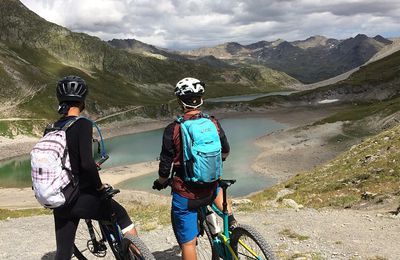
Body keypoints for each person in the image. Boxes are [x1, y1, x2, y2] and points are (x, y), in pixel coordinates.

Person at [52, 76, 137, 259]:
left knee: (63, 251)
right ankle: (140, 255)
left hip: (60, 198)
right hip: (81, 196)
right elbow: (87, 164)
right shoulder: (82, 123)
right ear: (82, 101)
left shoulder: (51, 128)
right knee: (122, 216)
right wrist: (99, 188)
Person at [153, 77, 237, 260]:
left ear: (180, 102)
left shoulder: (173, 128)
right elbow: (226, 151)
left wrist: (160, 182)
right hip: (211, 188)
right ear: (201, 99)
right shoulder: (213, 123)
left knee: (188, 244)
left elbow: (165, 166)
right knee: (216, 189)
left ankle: (220, 230)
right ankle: (230, 220)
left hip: (187, 195)